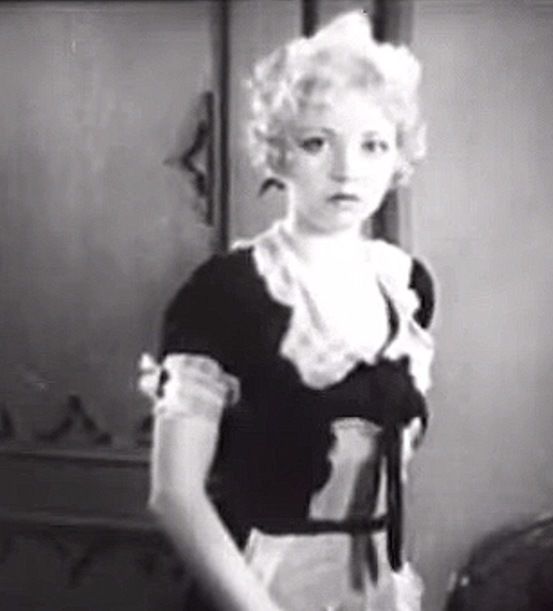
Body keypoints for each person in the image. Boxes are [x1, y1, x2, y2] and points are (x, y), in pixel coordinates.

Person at [138, 10, 435, 611]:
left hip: (377, 590)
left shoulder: (406, 286)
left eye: (373, 144)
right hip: (261, 588)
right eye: (317, 142)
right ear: (277, 152)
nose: (347, 169)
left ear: (398, 157)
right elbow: (174, 494)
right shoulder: (226, 293)